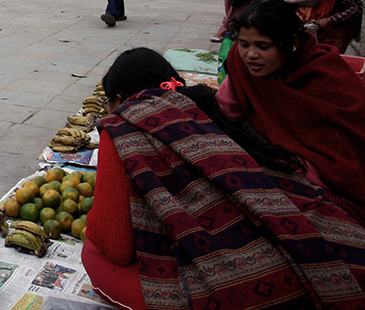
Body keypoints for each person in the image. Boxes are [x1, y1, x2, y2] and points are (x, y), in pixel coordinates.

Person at [84, 45, 365, 310]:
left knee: (93, 255)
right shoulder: (203, 103)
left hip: (250, 286)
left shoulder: (122, 126)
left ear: (120, 98)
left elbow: (117, 248)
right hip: (337, 249)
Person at [219, 0, 365, 216]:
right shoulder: (241, 64)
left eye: (263, 46)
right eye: (245, 44)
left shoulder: (327, 76)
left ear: (292, 43)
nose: (251, 55)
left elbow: (346, 152)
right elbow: (225, 108)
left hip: (319, 172)